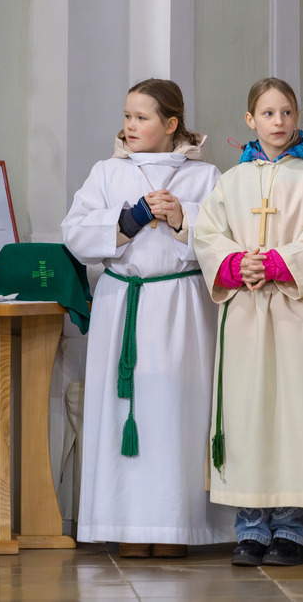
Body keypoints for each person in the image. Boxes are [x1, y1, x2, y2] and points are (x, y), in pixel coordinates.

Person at [62, 78, 235, 556]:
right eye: (126, 116)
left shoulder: (205, 176)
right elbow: (74, 232)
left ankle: (175, 527)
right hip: (124, 306)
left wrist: (183, 218)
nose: (129, 127)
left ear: (171, 123)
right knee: (122, 417)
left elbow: (227, 238)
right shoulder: (106, 172)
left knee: (176, 414)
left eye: (141, 117)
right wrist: (128, 221)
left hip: (180, 308)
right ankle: (127, 528)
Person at [193, 78, 303, 567]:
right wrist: (238, 265)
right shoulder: (230, 182)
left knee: (296, 414)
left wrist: (279, 262)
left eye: (286, 114)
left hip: (298, 312)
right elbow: (208, 235)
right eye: (267, 113)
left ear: (296, 120)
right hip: (244, 310)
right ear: (249, 120)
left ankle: (292, 530)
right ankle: (252, 527)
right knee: (248, 414)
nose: (277, 123)